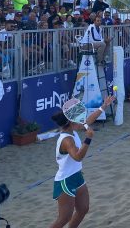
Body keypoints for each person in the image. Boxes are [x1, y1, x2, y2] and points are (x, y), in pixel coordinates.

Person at [49, 95, 115, 228]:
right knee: (64, 218)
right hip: (65, 181)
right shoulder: (67, 140)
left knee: (83, 209)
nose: (83, 122)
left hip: (77, 176)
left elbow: (89, 120)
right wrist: (88, 139)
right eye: (79, 120)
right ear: (71, 122)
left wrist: (104, 106)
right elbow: (78, 157)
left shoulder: (72, 129)